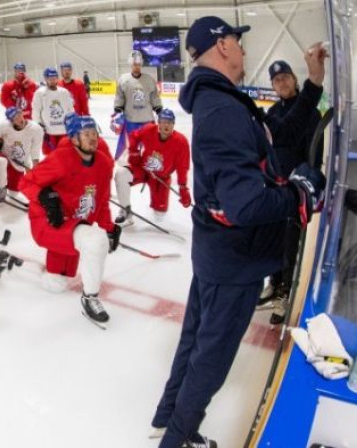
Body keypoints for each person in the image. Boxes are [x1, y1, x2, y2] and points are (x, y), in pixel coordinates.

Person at [150, 17, 326, 448]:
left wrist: (314, 86)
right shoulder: (223, 108)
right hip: (235, 259)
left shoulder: (221, 100)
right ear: (222, 46)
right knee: (212, 357)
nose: (245, 49)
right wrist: (300, 196)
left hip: (219, 252)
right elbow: (245, 204)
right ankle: (178, 437)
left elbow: (277, 136)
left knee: (196, 341)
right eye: (238, 41)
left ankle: (166, 419)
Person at [19, 115, 119, 326]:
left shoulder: (103, 163)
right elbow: (25, 183)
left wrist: (109, 227)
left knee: (56, 283)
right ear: (74, 139)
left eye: (94, 134)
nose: (93, 139)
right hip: (49, 223)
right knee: (95, 240)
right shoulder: (61, 159)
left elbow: (101, 201)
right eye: (86, 134)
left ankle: (14, 265)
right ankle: (90, 298)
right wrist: (45, 197)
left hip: (74, 224)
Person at [260, 50, 327, 323]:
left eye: (285, 77)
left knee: (290, 242)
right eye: (277, 80)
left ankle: (285, 293)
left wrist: (302, 182)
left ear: (294, 78)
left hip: (296, 189)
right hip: (275, 187)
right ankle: (273, 282)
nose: (282, 83)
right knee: (271, 236)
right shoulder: (274, 113)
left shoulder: (308, 111)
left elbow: (315, 155)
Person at [113, 108, 191, 226]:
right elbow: (134, 136)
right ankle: (125, 210)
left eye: (169, 122)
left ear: (173, 124)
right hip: (143, 170)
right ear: (158, 122)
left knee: (160, 216)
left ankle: (159, 213)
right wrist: (134, 152)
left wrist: (183, 187)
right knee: (121, 174)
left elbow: (183, 167)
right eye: (163, 121)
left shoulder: (181, 142)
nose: (166, 125)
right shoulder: (149, 129)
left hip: (161, 179)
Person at [112, 50, 163, 160]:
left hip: (147, 121)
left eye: (139, 64)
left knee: (150, 151)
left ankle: (149, 171)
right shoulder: (123, 79)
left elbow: (154, 97)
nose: (137, 67)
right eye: (135, 64)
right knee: (130, 151)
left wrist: (159, 110)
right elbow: (119, 97)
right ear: (131, 64)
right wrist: (118, 110)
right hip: (131, 121)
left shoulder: (149, 79)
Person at [0, 106, 43, 199]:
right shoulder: (5, 126)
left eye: (19, 115)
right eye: (15, 118)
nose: (19, 118)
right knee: (0, 161)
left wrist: (34, 170)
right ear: (11, 121)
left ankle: (6, 183)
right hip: (5, 156)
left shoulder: (35, 129)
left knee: (14, 193)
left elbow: (35, 151)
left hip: (18, 163)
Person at [32, 67, 74, 156]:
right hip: (48, 131)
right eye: (50, 78)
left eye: (54, 78)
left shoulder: (64, 92)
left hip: (63, 130)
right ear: (46, 79)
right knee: (50, 156)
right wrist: (39, 125)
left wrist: (71, 122)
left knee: (65, 154)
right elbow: (36, 110)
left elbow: (70, 109)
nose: (52, 80)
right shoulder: (40, 93)